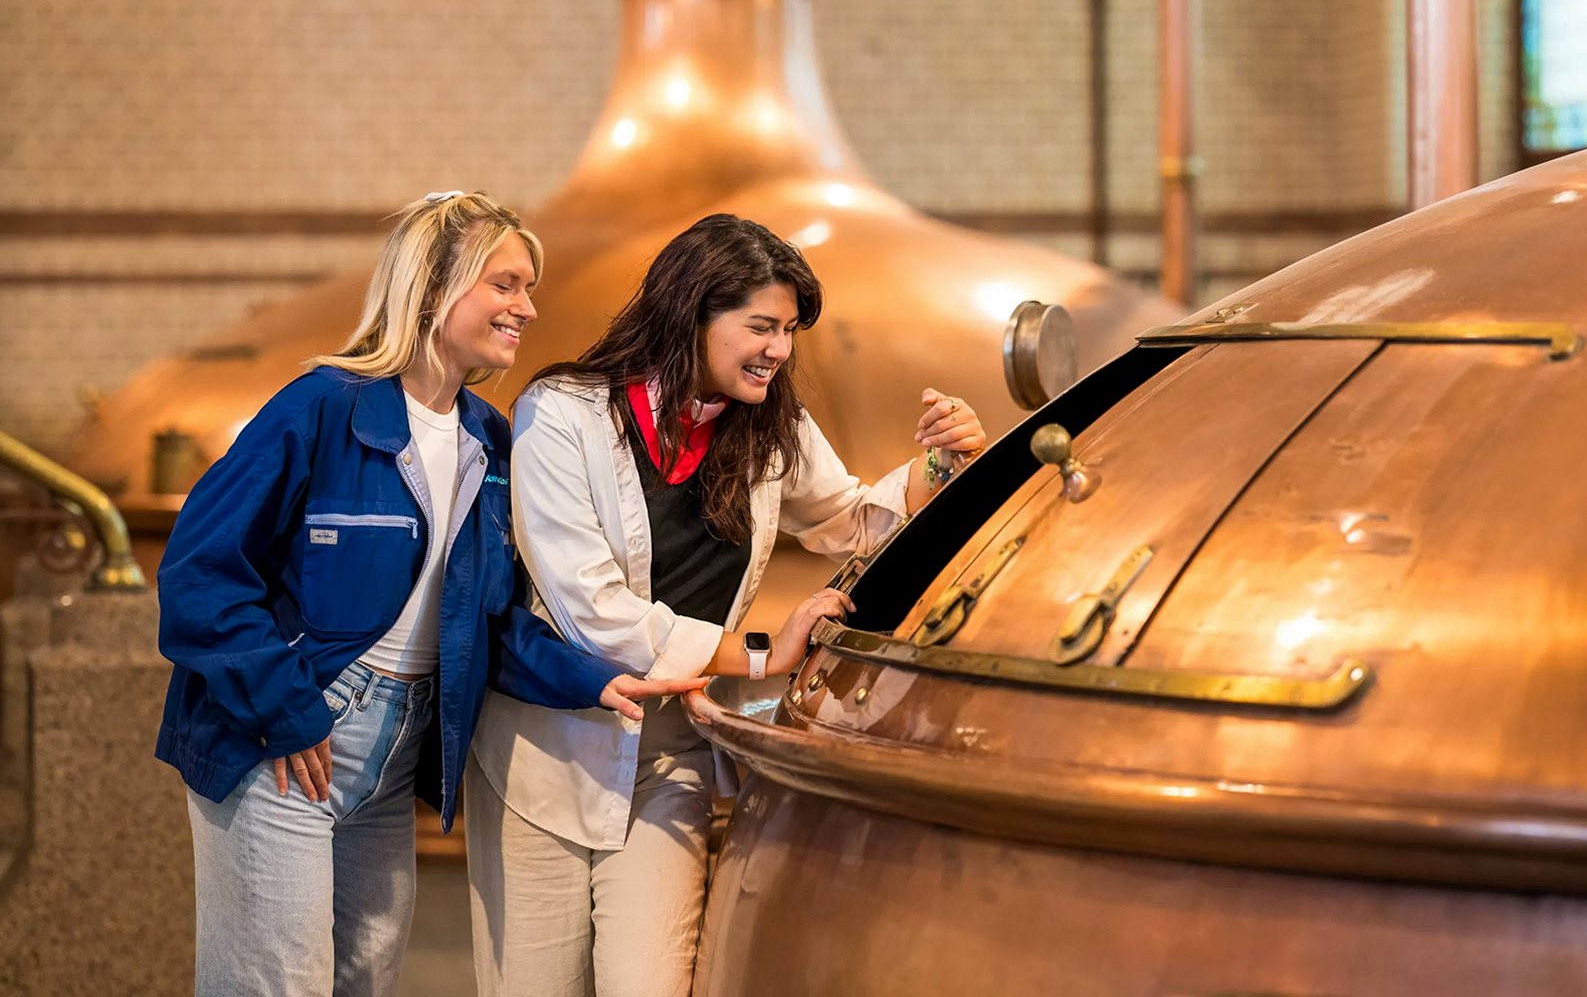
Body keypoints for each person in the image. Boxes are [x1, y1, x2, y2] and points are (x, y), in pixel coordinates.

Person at [154, 190, 705, 997]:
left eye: (528, 287)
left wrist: (593, 678)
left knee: (365, 981)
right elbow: (201, 571)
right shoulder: (323, 407)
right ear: (433, 286)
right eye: (506, 284)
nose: (528, 306)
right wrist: (285, 711)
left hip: (393, 755)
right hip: (285, 740)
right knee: (278, 986)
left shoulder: (490, 436)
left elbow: (488, 618)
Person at [466, 213, 987, 997]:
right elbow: (593, 612)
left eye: (788, 331)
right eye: (761, 326)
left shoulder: (771, 425)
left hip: (669, 757)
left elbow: (852, 521)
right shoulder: (563, 412)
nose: (779, 349)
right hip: (543, 760)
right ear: (692, 314)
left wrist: (945, 465)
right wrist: (757, 656)